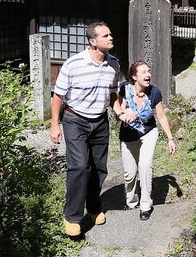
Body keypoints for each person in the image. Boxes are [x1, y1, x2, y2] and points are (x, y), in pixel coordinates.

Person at [50, 21, 128, 237]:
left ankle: (93, 208)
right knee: (79, 167)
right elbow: (58, 96)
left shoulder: (114, 64)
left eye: (110, 34)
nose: (111, 38)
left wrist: (120, 113)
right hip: (75, 119)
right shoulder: (74, 64)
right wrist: (55, 124)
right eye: (105, 36)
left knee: (99, 167)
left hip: (100, 121)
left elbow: (113, 95)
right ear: (93, 41)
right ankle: (72, 217)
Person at [117, 60, 176, 221]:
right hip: (128, 135)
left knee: (145, 165)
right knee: (130, 174)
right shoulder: (125, 88)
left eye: (148, 71)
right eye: (143, 72)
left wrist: (170, 138)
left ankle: (145, 205)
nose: (148, 74)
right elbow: (118, 110)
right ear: (134, 76)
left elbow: (161, 117)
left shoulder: (154, 93)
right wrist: (125, 112)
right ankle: (131, 201)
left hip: (148, 132)